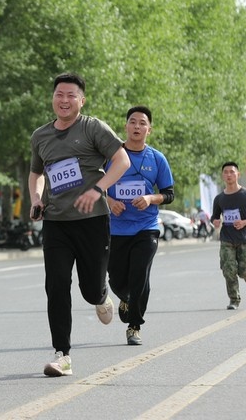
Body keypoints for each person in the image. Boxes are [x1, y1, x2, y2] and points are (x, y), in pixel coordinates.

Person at [28, 73, 130, 377]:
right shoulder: (40, 136)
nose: (64, 100)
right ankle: (62, 354)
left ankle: (100, 295)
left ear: (81, 100)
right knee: (56, 285)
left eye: (71, 95)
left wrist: (98, 190)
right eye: (59, 94)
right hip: (56, 222)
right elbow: (37, 173)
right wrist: (36, 198)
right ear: (52, 98)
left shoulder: (93, 128)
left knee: (89, 289)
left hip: (92, 221)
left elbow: (122, 160)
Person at [103, 106, 174, 347]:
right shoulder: (111, 156)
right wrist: (110, 201)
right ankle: (125, 297)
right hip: (116, 228)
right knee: (116, 278)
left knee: (140, 274)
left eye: (142, 123)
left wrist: (150, 198)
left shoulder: (157, 159)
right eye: (132, 122)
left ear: (149, 130)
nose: (137, 126)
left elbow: (169, 194)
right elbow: (95, 185)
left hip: (146, 226)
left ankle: (134, 326)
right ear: (126, 126)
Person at [210, 162, 246, 310]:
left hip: (244, 238)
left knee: (245, 272)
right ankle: (234, 299)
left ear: (238, 174)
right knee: (228, 270)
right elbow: (214, 217)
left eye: (232, 172)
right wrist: (215, 221)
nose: (229, 175)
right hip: (227, 239)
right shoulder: (219, 198)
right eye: (226, 172)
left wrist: (244, 222)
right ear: (222, 176)